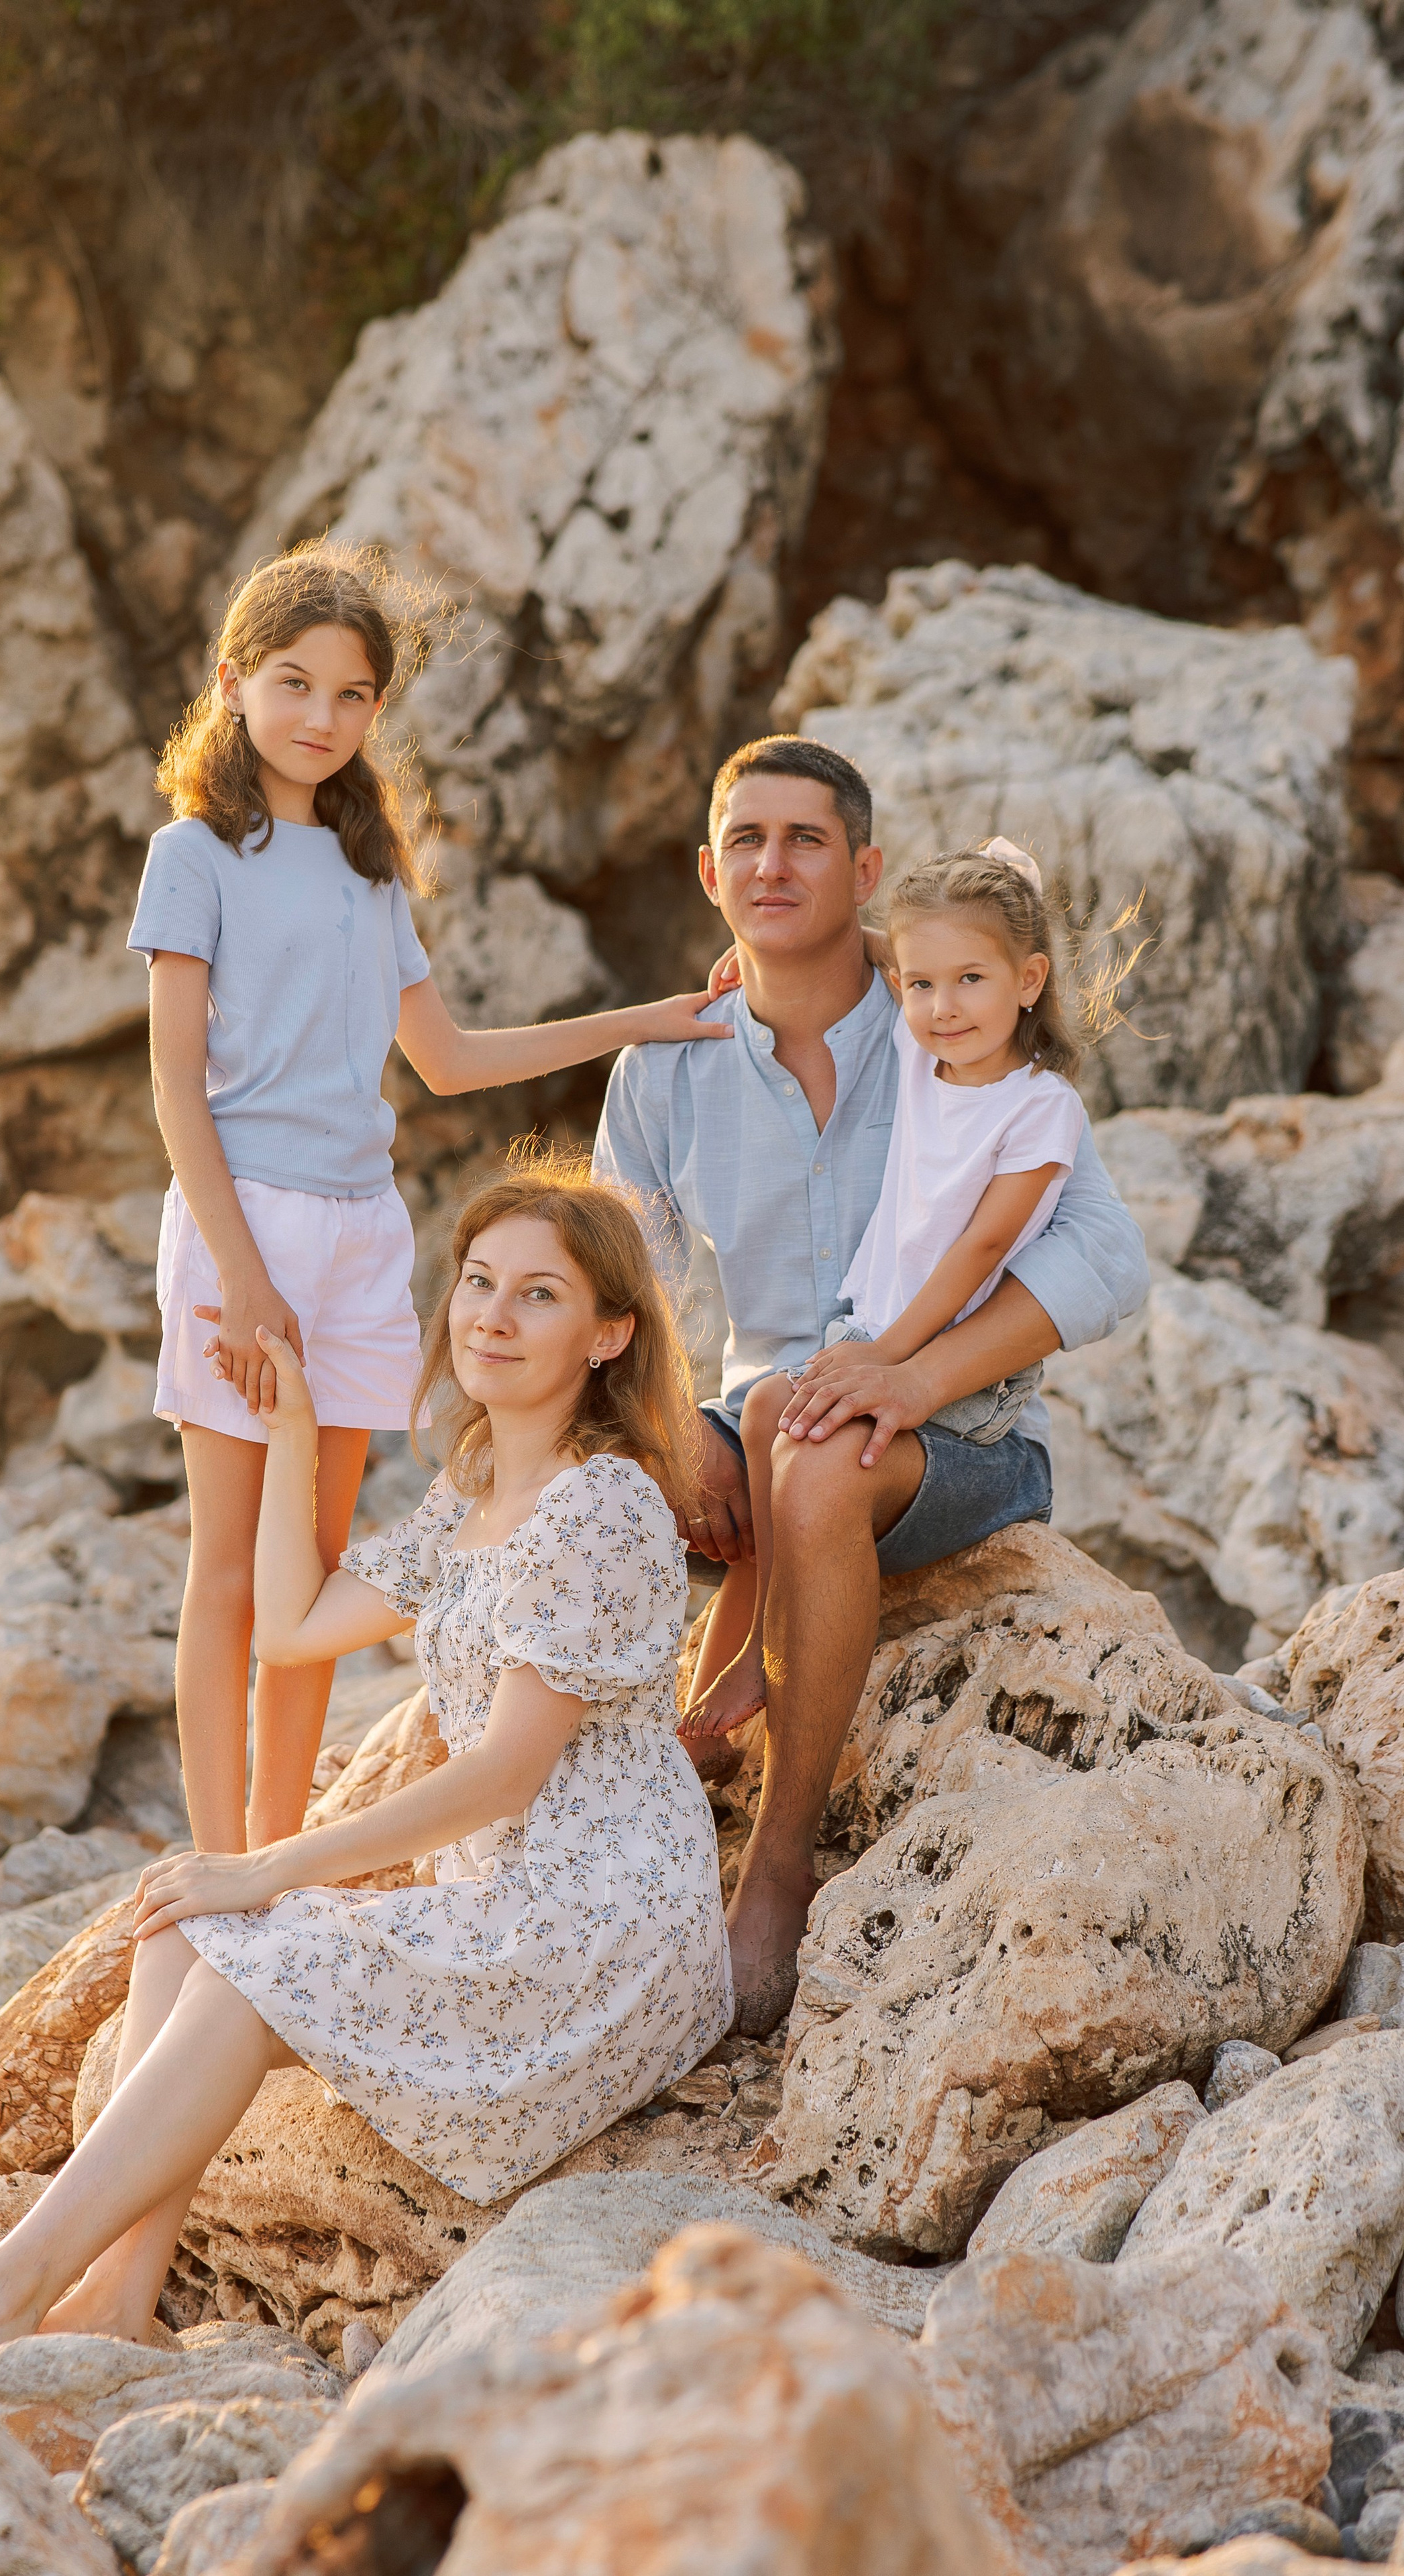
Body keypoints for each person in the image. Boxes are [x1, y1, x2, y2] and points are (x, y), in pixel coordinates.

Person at [0, 1163, 731, 2379]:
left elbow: (503, 1775)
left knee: (248, 1943)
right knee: (179, 1922)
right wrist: (293, 1428)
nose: (490, 1315)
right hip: (510, 1898)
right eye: (479, 1282)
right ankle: (121, 2297)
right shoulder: (479, 1487)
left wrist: (273, 1867)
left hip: (603, 1924)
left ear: (610, 1334)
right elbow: (290, 1623)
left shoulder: (601, 1507)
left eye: (538, 1295)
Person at [133, 541, 731, 1858]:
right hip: (244, 1228)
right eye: (294, 685)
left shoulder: (366, 869)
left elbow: (450, 1061)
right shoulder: (193, 854)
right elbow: (177, 1087)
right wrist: (239, 1274)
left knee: (318, 1561)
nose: (321, 720)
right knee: (230, 1567)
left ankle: (276, 1862)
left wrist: (651, 1017)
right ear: (233, 682)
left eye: (353, 697)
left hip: (359, 1237)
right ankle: (217, 1861)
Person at [592, 736, 1149, 2034]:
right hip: (768, 1408)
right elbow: (628, 1297)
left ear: (867, 870)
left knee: (826, 1454)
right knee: (655, 1471)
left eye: (807, 839)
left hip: (958, 1435)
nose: (773, 863)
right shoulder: (667, 1068)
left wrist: (909, 1378)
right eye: (747, 840)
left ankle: (775, 1863)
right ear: (709, 873)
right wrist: (675, 1444)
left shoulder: (948, 1031)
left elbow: (1110, 1265)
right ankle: (614, 1816)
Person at [695, 838, 1093, 1744]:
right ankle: (761, 1644)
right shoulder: (925, 1058)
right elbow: (891, 947)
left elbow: (980, 1247)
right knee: (762, 1415)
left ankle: (776, 1655)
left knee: (806, 1442)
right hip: (869, 1330)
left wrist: (889, 1352)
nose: (943, 1008)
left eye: (972, 982)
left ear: (1028, 980)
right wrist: (763, 955)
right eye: (922, 987)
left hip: (951, 1372)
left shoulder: (1040, 1106)